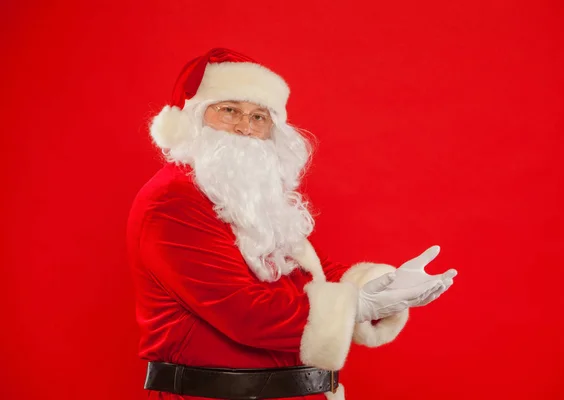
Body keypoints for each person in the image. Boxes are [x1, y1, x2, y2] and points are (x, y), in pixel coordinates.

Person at [127, 48, 457, 400]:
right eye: (228, 110)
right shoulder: (173, 201)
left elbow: (301, 272)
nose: (245, 128)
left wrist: (381, 284)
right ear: (192, 119)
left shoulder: (241, 194)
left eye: (259, 117)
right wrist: (358, 305)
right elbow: (243, 311)